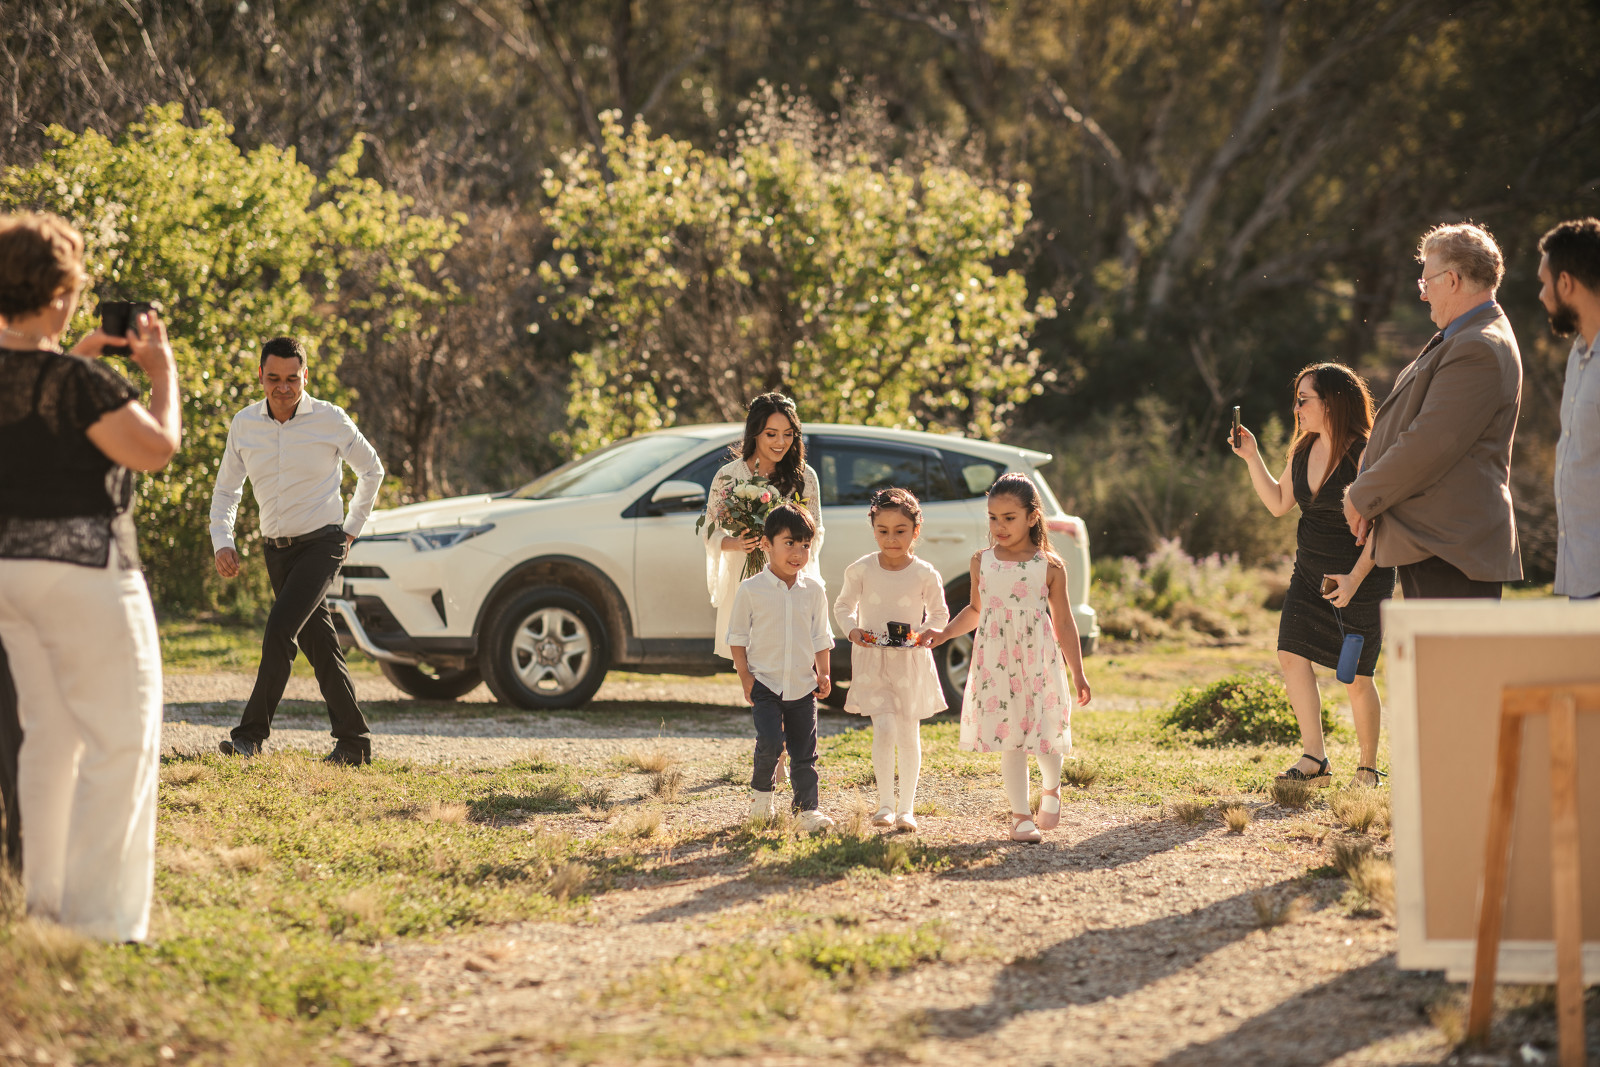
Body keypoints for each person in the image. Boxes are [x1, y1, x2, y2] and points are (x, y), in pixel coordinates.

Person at [0, 211, 181, 940]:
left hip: (9, 580)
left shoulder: (57, 376)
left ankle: (45, 902)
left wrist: (73, 357)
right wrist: (162, 375)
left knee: (47, 738)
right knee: (121, 738)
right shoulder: (77, 383)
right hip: (83, 572)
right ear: (59, 293)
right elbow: (154, 449)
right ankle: (100, 919)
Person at [210, 337, 384, 765]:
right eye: (274, 378)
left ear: (305, 375)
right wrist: (223, 540)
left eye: (292, 378)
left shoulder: (330, 418)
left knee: (279, 631)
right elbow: (227, 490)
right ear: (260, 376)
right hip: (277, 552)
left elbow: (372, 470)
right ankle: (354, 742)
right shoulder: (244, 425)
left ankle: (249, 737)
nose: (283, 387)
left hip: (323, 544)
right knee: (319, 644)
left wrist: (351, 531)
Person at [1231, 364, 1395, 788]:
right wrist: (1252, 457)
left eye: (1304, 400)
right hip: (1308, 575)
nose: (1297, 408)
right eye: (1297, 400)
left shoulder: (1367, 452)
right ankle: (1314, 758)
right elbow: (1278, 503)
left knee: (1356, 676)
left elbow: (1386, 524)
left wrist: (1354, 578)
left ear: (1332, 402)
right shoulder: (1302, 450)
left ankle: (1367, 769)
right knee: (1290, 653)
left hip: (1362, 579)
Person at [1343, 222, 1523, 598]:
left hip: (1449, 550)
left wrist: (1362, 495)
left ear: (1452, 280)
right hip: (1439, 546)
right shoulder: (1469, 336)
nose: (1423, 295)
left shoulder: (1477, 346)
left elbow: (1429, 442)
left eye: (1426, 282)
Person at [928, 474, 1092, 843]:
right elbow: (975, 610)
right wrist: (945, 633)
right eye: (993, 518)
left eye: (1009, 518)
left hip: (1038, 659)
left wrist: (1078, 673)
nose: (999, 526)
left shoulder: (1049, 565)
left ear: (1032, 517)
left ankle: (1051, 788)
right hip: (997, 660)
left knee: (1045, 728)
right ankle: (1020, 817)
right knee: (1011, 736)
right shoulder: (982, 561)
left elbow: (1064, 622)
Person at [702, 392, 823, 786]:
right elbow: (709, 529)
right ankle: (772, 745)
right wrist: (738, 543)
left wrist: (790, 554)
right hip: (748, 579)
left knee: (791, 658)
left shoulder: (804, 476)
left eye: (788, 434)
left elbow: (816, 530)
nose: (780, 442)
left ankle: (782, 752)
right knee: (761, 665)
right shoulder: (729, 476)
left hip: (792, 582)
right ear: (754, 432)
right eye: (771, 433)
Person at [833, 488, 950, 832]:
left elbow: (940, 613)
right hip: (873, 661)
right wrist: (852, 630)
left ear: (915, 531)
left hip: (909, 663)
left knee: (908, 732)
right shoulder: (861, 569)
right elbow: (843, 606)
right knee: (884, 728)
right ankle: (885, 804)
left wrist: (926, 632)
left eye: (900, 531)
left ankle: (906, 809)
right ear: (873, 530)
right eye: (883, 531)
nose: (891, 539)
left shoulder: (924, 573)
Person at [727, 504, 836, 833]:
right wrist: (745, 676)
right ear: (766, 543)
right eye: (789, 543)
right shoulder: (751, 589)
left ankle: (806, 812)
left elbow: (821, 636)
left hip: (803, 686)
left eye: (805, 545)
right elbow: (737, 637)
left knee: (805, 752)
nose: (798, 553)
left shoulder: (814, 590)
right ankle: (762, 802)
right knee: (771, 742)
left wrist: (824, 673)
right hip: (766, 684)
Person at [1536, 218, 1600, 601]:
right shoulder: (1579, 356)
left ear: (1565, 283)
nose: (1542, 295)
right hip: (1582, 573)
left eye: (1545, 283)